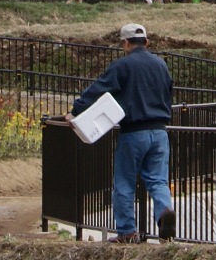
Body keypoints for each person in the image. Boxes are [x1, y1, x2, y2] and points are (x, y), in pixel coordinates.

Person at [70, 22, 173, 243]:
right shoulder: (161, 65)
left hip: (134, 132)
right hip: (160, 131)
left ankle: (127, 232)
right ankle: (164, 213)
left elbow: (99, 88)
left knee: (124, 182)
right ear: (146, 42)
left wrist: (76, 110)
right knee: (158, 181)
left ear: (125, 43)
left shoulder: (123, 66)